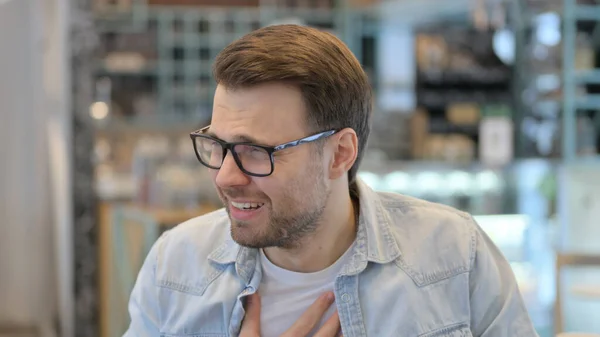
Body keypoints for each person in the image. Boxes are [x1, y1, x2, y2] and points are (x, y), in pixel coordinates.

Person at [124, 24, 538, 337]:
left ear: (340, 153)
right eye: (218, 145)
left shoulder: (453, 256)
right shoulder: (175, 267)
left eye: (256, 152)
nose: (226, 177)